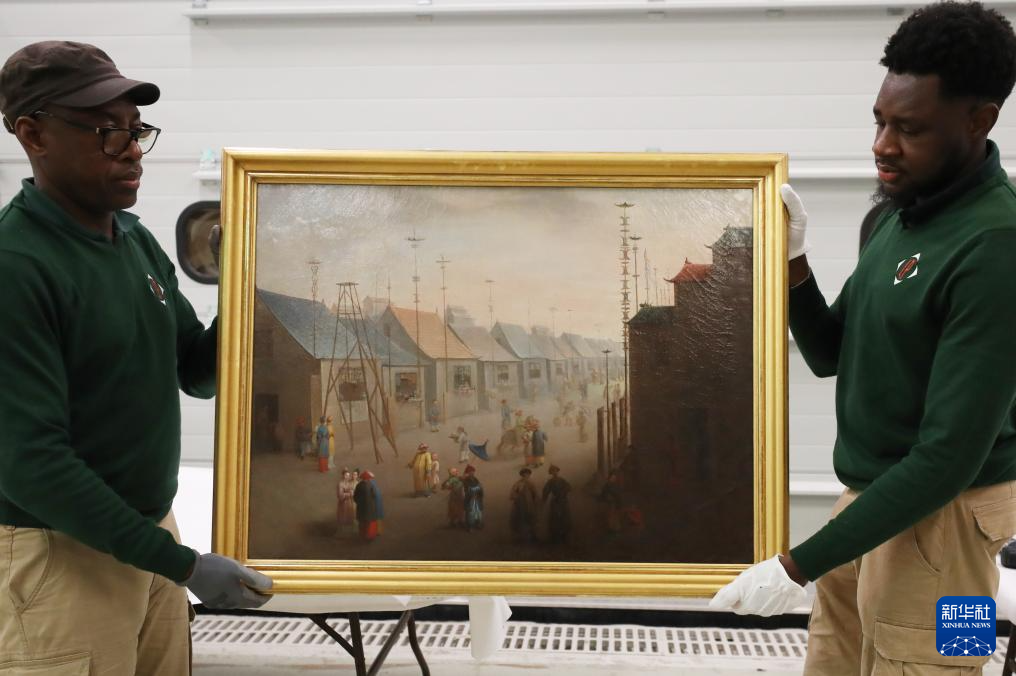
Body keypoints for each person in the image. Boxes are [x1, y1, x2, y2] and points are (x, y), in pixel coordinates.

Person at [711, 5, 1016, 674]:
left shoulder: (997, 246)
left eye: (910, 129)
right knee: (834, 660)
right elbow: (829, 354)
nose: (882, 145)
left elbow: (949, 459)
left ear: (979, 120)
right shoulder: (897, 220)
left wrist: (796, 565)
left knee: (945, 662)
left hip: (952, 528)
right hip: (871, 505)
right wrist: (793, 264)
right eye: (879, 121)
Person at [0, 40, 272, 675]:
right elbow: (30, 464)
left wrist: (243, 282)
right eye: (106, 131)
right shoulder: (17, 266)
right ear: (33, 134)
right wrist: (184, 566)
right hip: (60, 555)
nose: (131, 150)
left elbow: (196, 373)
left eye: (136, 128)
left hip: (147, 536)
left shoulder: (133, 240)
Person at [542, 465, 572, 544]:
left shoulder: (562, 480)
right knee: (555, 517)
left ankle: (564, 535)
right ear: (551, 473)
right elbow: (545, 491)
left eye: (555, 471)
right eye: (553, 471)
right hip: (555, 502)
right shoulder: (550, 482)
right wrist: (543, 500)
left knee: (564, 516)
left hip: (563, 501)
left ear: (558, 471)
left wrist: (563, 492)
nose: (554, 472)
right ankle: (555, 536)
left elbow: (569, 487)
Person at [509, 468, 539, 543]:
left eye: (527, 474)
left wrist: (535, 501)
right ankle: (521, 537)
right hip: (520, 505)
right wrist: (517, 497)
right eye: (524, 474)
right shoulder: (518, 484)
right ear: (522, 475)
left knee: (531, 519)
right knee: (521, 520)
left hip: (530, 505)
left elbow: (535, 494)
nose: (526, 476)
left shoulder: (531, 483)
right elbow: (512, 494)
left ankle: (533, 536)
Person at [353, 471, 379, 541]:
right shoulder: (371, 485)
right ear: (368, 478)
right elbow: (375, 496)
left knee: (362, 522)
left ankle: (362, 535)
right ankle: (370, 536)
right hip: (370, 508)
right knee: (369, 522)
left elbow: (355, 497)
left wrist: (359, 502)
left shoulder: (358, 485)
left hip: (361, 508)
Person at [462, 465, 485, 532]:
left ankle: (477, 524)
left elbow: (480, 487)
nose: (472, 473)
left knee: (478, 512)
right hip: (470, 499)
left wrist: (479, 489)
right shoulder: (466, 480)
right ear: (467, 473)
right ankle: (470, 527)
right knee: (470, 513)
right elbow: (468, 489)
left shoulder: (475, 479)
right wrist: (477, 488)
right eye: (470, 472)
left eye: (473, 471)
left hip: (476, 499)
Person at [336, 467, 356, 533]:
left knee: (350, 516)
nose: (347, 477)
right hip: (343, 503)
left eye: (348, 475)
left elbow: (353, 488)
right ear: (343, 476)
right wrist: (349, 494)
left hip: (350, 502)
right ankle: (342, 531)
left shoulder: (349, 482)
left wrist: (353, 492)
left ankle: (350, 531)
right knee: (343, 516)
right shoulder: (340, 484)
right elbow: (340, 495)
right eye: (346, 475)